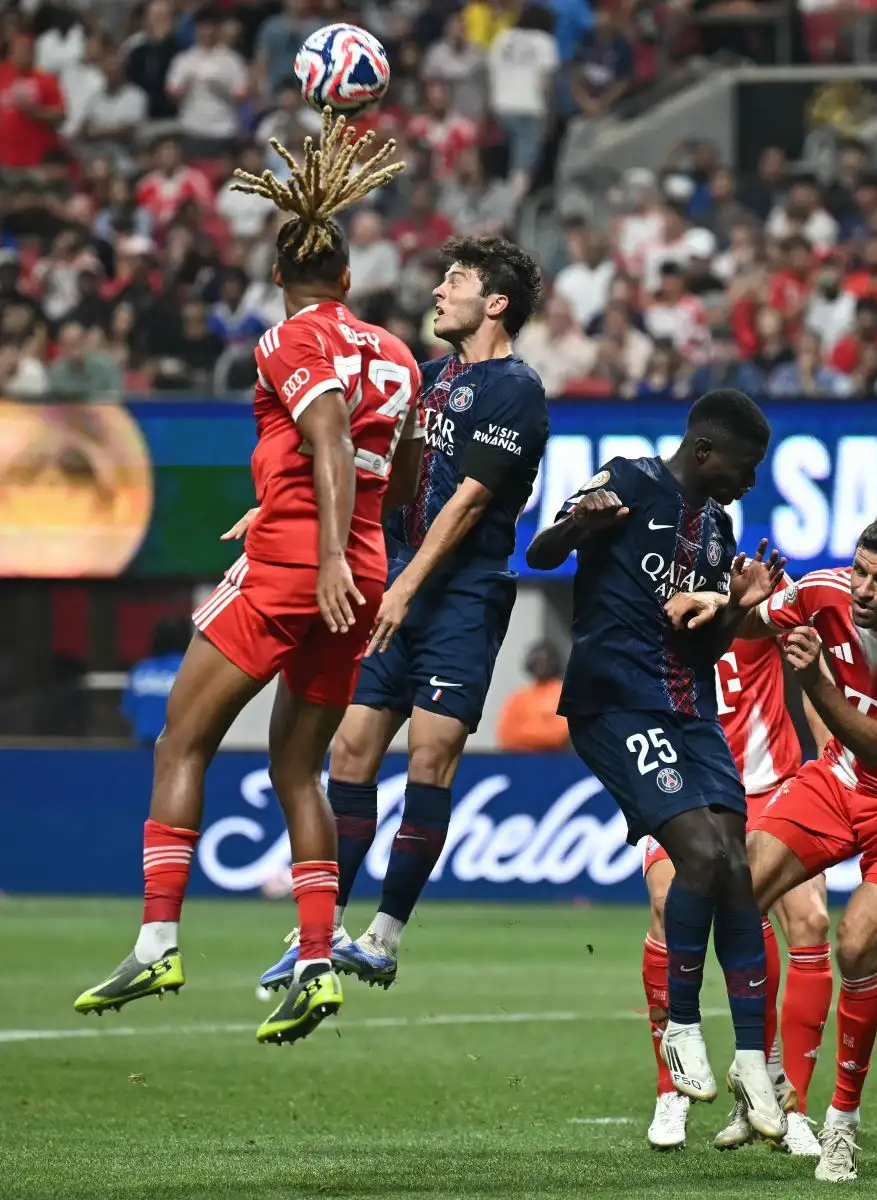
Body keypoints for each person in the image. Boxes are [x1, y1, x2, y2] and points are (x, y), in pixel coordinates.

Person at [72, 114, 416, 1045]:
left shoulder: (284, 344)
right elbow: (397, 470)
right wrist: (348, 547)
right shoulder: (398, 353)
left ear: (282, 277)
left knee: (181, 742)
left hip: (303, 568)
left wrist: (322, 547)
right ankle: (315, 959)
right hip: (363, 571)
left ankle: (157, 941)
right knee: (298, 767)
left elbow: (331, 438)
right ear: (348, 276)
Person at [256, 234, 549, 994]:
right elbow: (363, 466)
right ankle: (320, 933)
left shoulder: (515, 387)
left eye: (455, 280)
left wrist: (406, 584)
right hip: (397, 584)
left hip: (460, 593)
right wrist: (269, 512)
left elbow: (470, 500)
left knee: (430, 756)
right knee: (349, 752)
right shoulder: (422, 379)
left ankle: (383, 938)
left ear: (496, 303)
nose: (438, 290)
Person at [667, 511, 877, 1181]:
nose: (863, 589)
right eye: (860, 570)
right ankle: (762, 1064)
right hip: (838, 780)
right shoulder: (823, 591)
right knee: (737, 894)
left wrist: (813, 681)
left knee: (855, 944)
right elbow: (760, 621)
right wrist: (724, 602)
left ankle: (841, 1120)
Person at [525, 390, 787, 1139]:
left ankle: (749, 1058)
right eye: (747, 464)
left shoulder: (718, 529)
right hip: (615, 705)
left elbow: (704, 649)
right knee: (700, 854)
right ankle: (680, 1028)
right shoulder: (631, 479)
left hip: (692, 710)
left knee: (735, 861)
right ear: (706, 451)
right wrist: (582, 522)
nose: (751, 480)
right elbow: (540, 551)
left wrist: (734, 606)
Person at [639, 633, 829, 1157]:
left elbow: (813, 672)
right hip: (681, 784)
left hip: (773, 787)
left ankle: (788, 1103)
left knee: (810, 921)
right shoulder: (645, 598)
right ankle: (670, 1090)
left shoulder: (755, 596)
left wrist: (830, 758)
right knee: (665, 906)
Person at [120, 619, 190, 744]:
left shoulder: (141, 670)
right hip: (179, 750)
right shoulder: (189, 669)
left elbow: (128, 711)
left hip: (143, 748)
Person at [495, 640, 570, 752]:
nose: (540, 665)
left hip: (556, 762)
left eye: (543, 661)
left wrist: (524, 732)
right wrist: (542, 731)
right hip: (522, 762)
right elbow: (505, 735)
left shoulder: (563, 694)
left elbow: (560, 735)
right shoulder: (519, 697)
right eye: (536, 660)